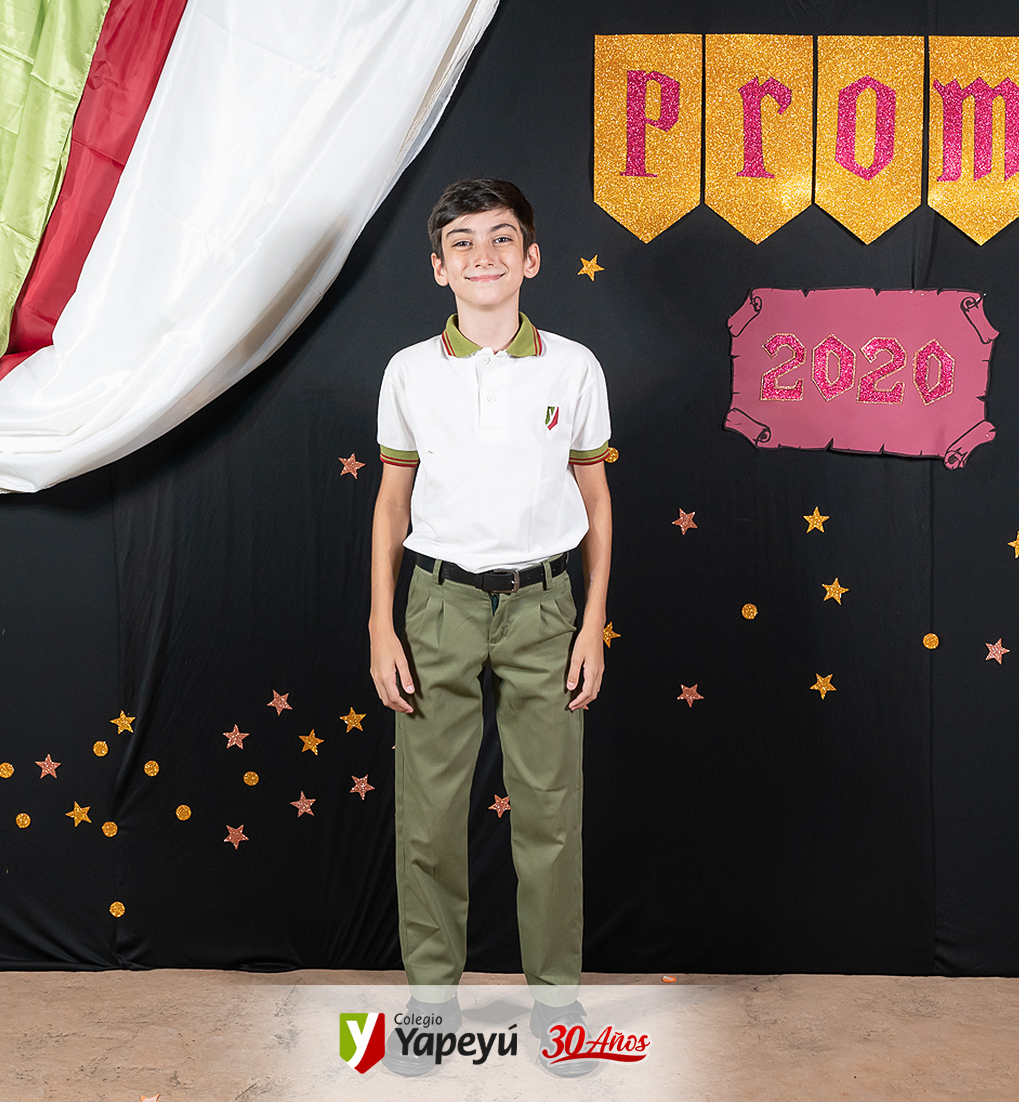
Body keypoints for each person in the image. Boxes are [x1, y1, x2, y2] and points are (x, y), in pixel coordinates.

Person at [369, 178, 612, 1075]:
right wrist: (381, 624)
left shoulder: (572, 368)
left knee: (549, 815)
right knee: (429, 819)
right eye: (463, 243)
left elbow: (595, 497)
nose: (484, 256)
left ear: (531, 258)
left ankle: (558, 1007)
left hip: (545, 606)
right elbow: (391, 500)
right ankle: (431, 1007)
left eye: (502, 238)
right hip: (438, 605)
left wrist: (591, 621)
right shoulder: (408, 371)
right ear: (439, 268)